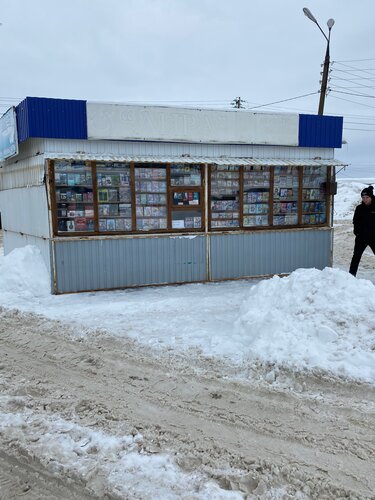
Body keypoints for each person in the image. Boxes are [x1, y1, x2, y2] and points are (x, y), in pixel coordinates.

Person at [349, 185, 375, 276]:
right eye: (363, 197)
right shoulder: (359, 208)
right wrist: (357, 233)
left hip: (374, 238)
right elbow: (355, 221)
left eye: (367, 197)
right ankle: (350, 277)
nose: (365, 199)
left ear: (371, 197)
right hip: (361, 238)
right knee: (356, 257)